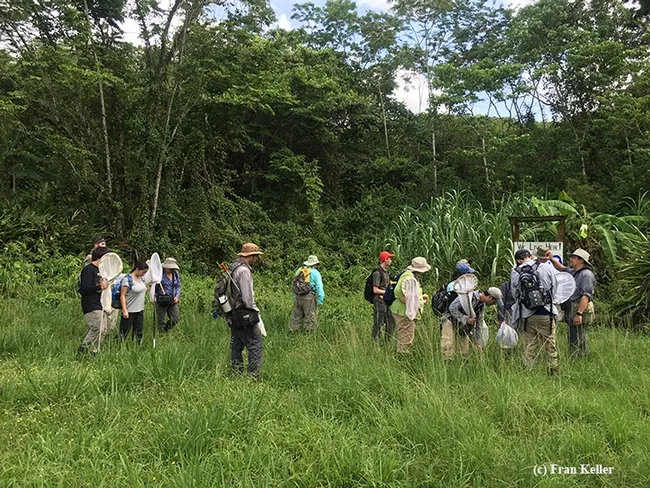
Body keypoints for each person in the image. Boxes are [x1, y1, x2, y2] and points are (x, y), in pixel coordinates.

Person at [510, 248, 559, 375]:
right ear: (531, 256)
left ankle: (529, 371)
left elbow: (515, 293)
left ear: (518, 260)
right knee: (549, 344)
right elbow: (555, 287)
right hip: (546, 313)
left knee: (529, 345)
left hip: (527, 315)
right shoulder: (546, 268)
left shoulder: (515, 272)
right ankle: (552, 371)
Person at [548, 248, 596, 357]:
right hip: (573, 307)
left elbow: (586, 296)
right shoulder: (574, 272)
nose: (571, 259)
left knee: (579, 335)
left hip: (579, 308)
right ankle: (575, 356)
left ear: (581, 260)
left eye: (574, 258)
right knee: (573, 334)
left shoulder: (586, 275)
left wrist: (579, 314)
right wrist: (551, 259)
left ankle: (580, 357)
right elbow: (561, 268)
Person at [227, 243, 264, 378]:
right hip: (244, 313)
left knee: (236, 345)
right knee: (255, 345)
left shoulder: (233, 267)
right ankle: (253, 377)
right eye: (256, 256)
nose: (256, 259)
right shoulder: (244, 271)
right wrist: (256, 313)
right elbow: (248, 299)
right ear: (252, 256)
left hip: (233, 312)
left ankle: (236, 374)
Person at [443, 287, 502, 359]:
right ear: (490, 297)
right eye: (494, 302)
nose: (494, 304)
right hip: (449, 320)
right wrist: (465, 319)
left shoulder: (481, 305)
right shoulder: (469, 295)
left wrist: (478, 343)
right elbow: (452, 308)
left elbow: (479, 323)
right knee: (448, 345)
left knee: (463, 349)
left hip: (463, 325)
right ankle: (446, 364)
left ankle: (460, 364)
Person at [390, 257, 431, 354]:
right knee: (405, 337)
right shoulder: (408, 278)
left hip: (405, 310)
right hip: (404, 312)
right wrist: (418, 302)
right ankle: (402, 358)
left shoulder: (410, 276)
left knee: (406, 335)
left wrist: (420, 298)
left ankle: (402, 354)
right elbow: (399, 293)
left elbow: (412, 294)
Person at [77, 247, 109, 355]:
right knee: (97, 328)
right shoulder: (88, 270)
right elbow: (84, 288)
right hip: (90, 304)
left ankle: (95, 351)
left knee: (104, 330)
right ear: (100, 258)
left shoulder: (101, 271)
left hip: (101, 303)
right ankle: (83, 348)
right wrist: (99, 287)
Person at [289, 255, 325, 332]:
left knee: (295, 318)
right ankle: (309, 335)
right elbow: (319, 286)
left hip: (298, 297)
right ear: (315, 264)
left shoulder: (299, 270)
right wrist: (320, 300)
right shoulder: (316, 273)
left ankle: (292, 334)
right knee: (310, 319)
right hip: (309, 297)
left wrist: (295, 297)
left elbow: (295, 284)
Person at [118, 262, 149, 345]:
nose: (144, 274)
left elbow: (143, 289)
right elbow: (122, 295)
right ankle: (117, 346)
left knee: (138, 332)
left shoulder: (141, 279)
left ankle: (137, 347)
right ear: (137, 269)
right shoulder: (127, 280)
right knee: (124, 332)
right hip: (130, 310)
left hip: (140, 310)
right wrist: (124, 310)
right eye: (143, 272)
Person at [370, 251, 396, 341]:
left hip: (386, 301)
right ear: (385, 260)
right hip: (379, 301)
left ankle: (388, 342)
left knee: (391, 321)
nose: (391, 260)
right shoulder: (377, 273)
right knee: (378, 323)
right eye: (390, 258)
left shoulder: (386, 272)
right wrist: (386, 292)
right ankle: (375, 344)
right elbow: (375, 290)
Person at [155, 258, 181, 333]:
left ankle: (167, 329)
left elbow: (178, 286)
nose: (171, 269)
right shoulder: (159, 274)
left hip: (172, 299)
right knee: (161, 320)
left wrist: (177, 296)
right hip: (161, 299)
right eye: (170, 268)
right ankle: (162, 334)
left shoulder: (175, 274)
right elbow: (154, 287)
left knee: (175, 319)